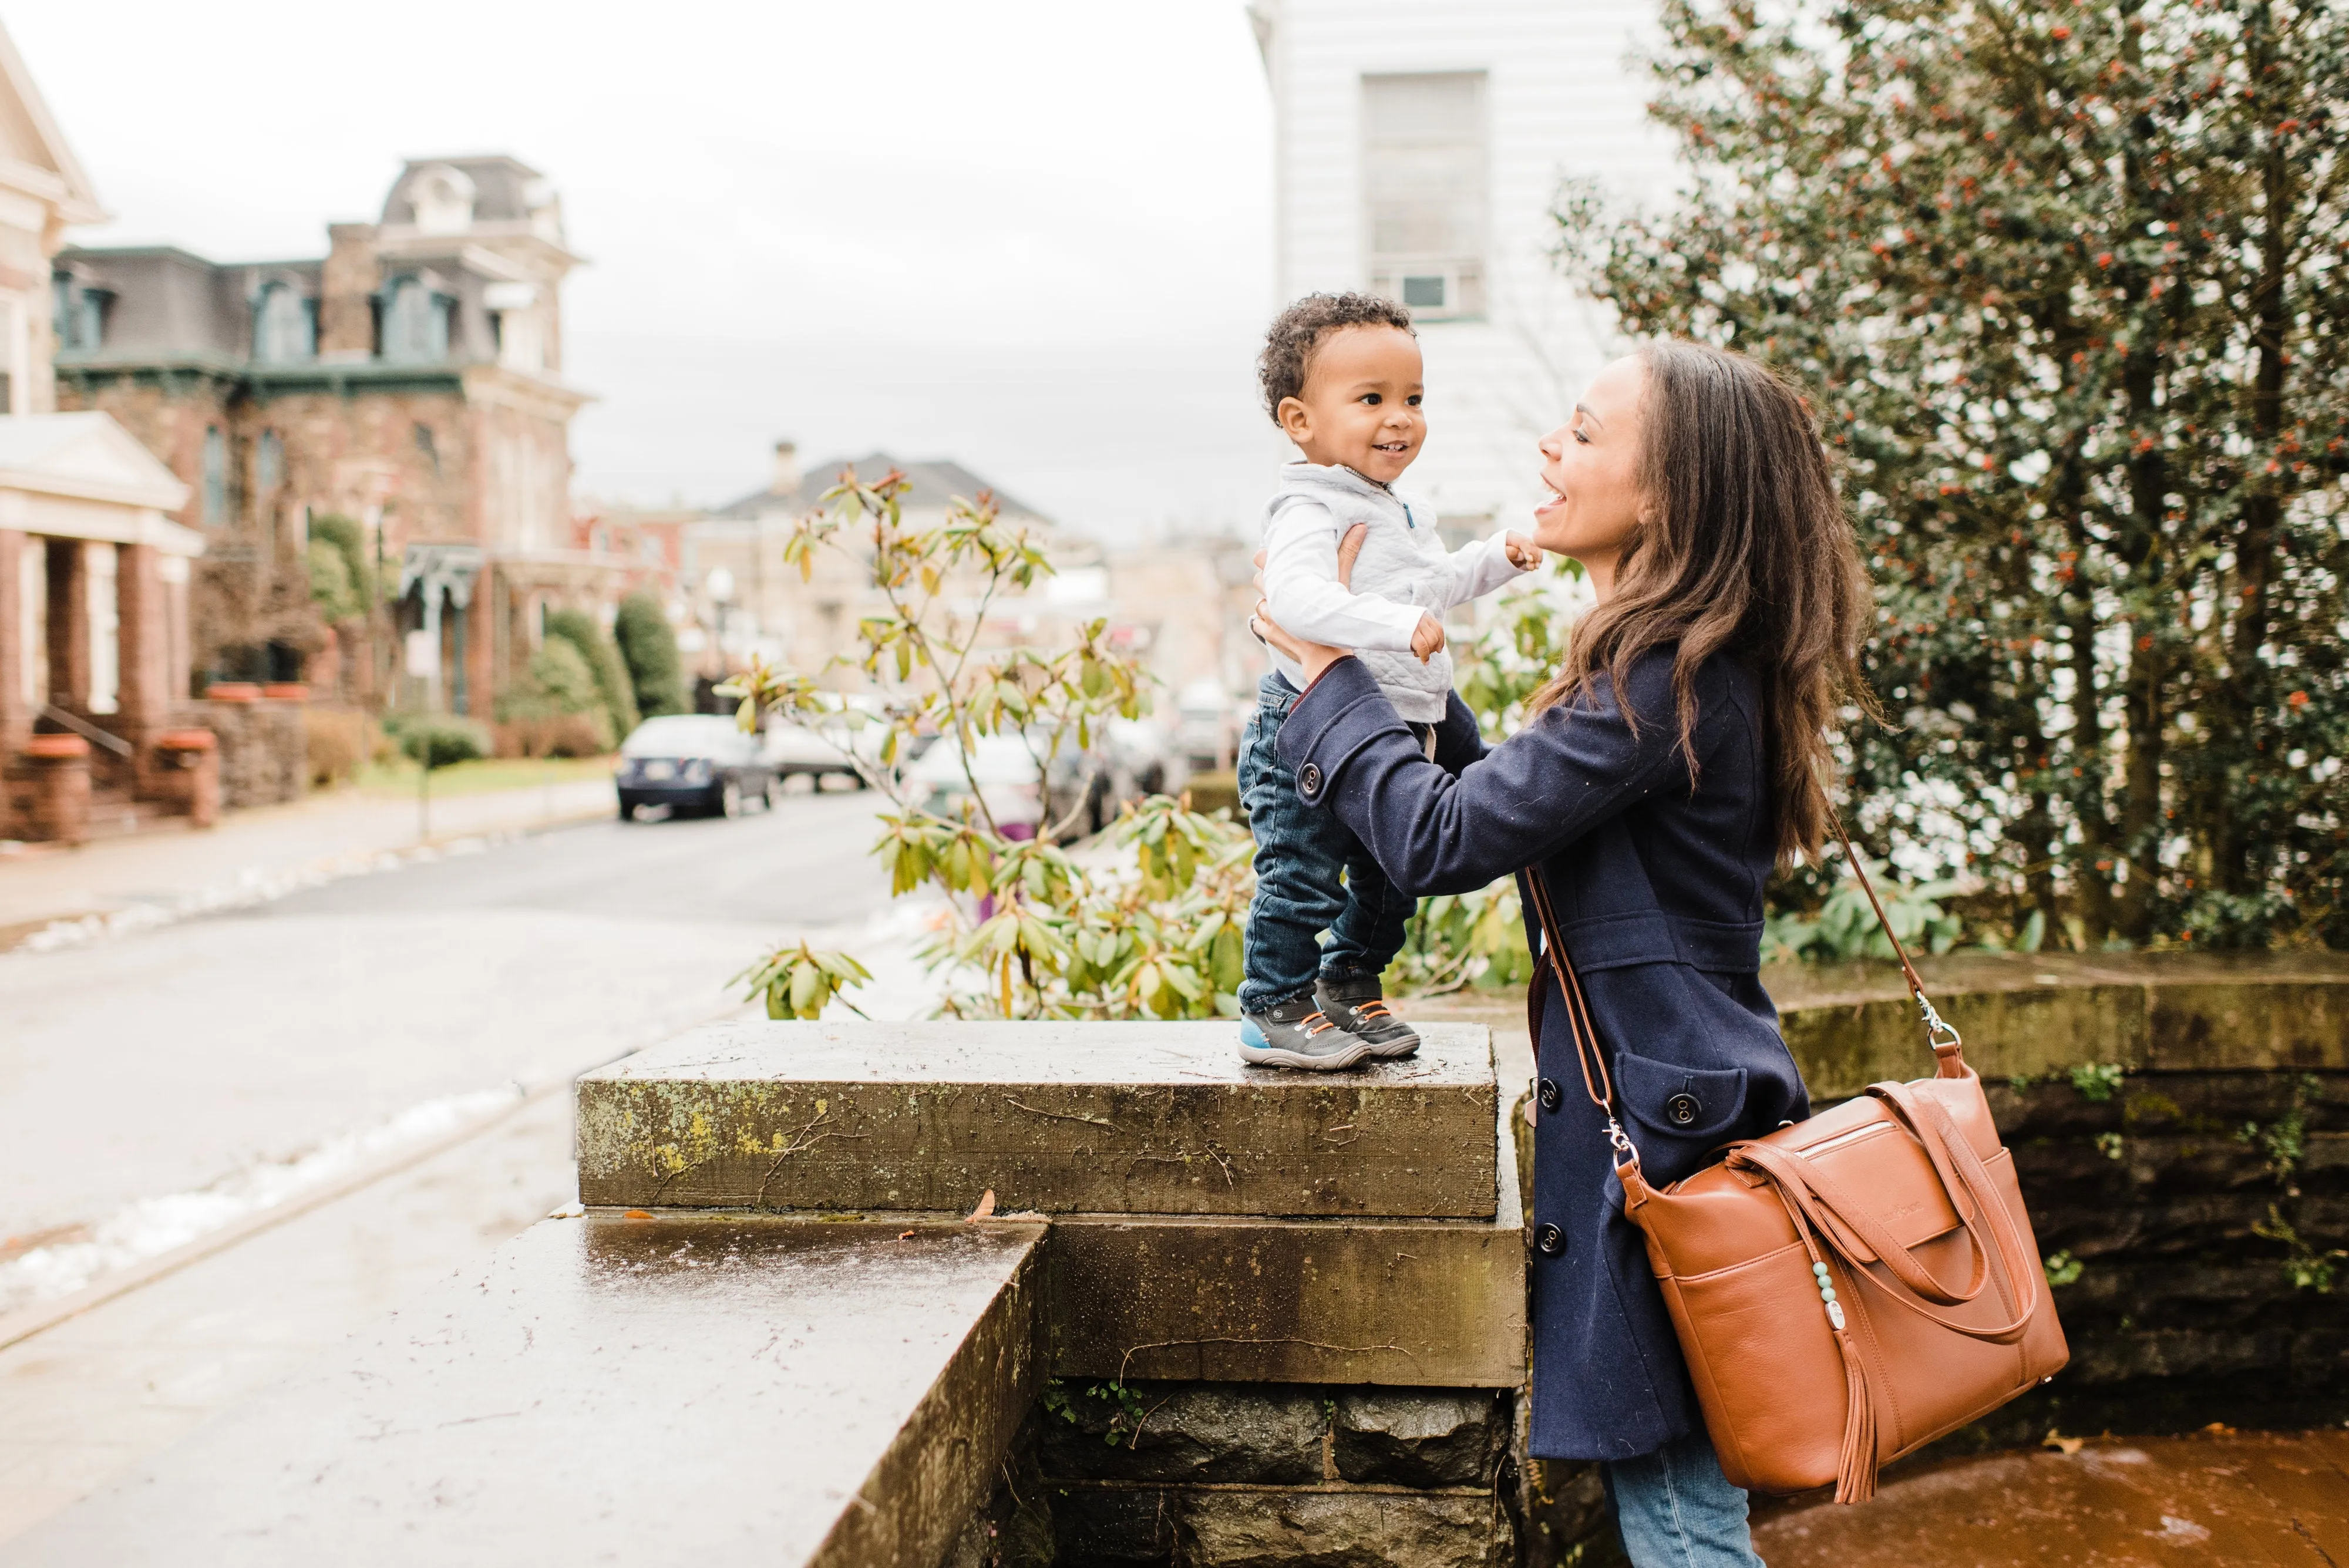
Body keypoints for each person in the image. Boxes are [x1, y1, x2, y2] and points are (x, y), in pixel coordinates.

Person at [1251, 340, 1873, 1567]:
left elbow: (1438, 840)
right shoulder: (1680, 665)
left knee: (1684, 1514)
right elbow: (1506, 802)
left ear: (1669, 494)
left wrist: (1325, 677)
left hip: (1662, 1125)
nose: (1548, 448)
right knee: (1676, 1493)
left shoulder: (1662, 680)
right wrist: (1396, 688)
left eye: (1583, 433)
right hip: (1680, 1095)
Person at [1238, 291, 1540, 1069]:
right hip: (1308, 724)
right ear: (1300, 421)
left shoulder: (1397, 507)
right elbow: (1297, 600)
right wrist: (1391, 626)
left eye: (1412, 398)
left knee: (1393, 872)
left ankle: (1349, 980)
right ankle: (1273, 1001)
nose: (1399, 417)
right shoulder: (1309, 506)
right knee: (1301, 871)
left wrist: (1495, 557)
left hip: (1391, 721)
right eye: (1371, 399)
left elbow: (1428, 587)